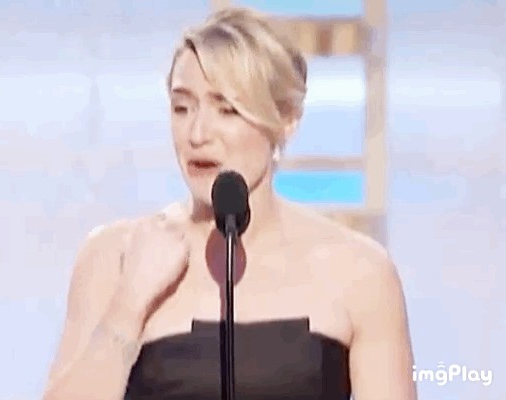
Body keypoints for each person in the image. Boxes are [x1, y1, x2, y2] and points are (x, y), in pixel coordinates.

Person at [42, 7, 417, 400]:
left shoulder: (359, 271)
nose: (197, 134)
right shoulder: (114, 256)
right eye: (182, 107)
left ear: (286, 119)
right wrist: (128, 305)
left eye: (227, 110)